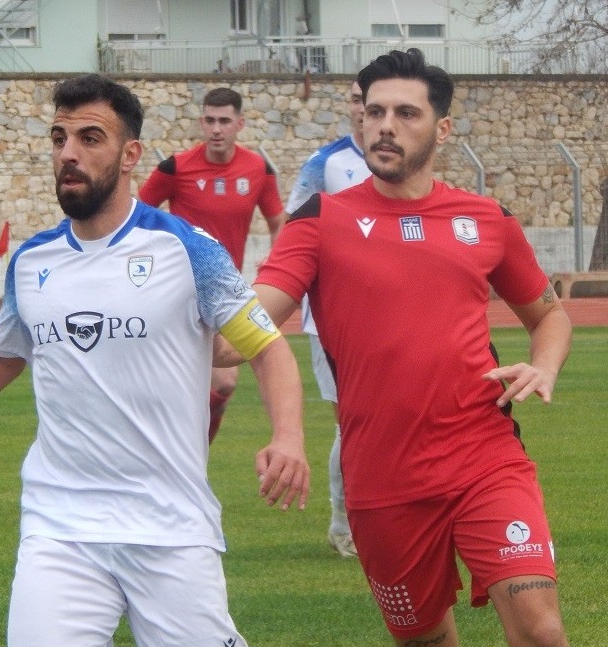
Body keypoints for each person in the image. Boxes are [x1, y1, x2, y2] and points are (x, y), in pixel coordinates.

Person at [0, 74, 310, 647]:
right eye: (59, 138)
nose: (69, 153)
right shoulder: (32, 261)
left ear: (130, 154)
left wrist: (289, 437)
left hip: (169, 527)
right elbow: (1, 355)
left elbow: (266, 346)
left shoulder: (187, 250)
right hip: (60, 528)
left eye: (90, 138)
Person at [234, 49, 573, 646]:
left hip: (484, 455)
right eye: (375, 112)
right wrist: (206, 327)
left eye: (406, 113)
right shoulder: (320, 218)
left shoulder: (486, 218)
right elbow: (252, 322)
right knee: (425, 640)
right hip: (381, 478)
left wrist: (543, 366)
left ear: (442, 129)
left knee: (540, 629)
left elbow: (549, 314)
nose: (385, 126)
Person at [138, 87, 285, 443]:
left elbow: (278, 221)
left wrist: (276, 258)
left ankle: (189, 453)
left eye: (224, 121)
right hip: (176, 289)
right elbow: (137, 215)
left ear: (240, 124)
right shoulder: (175, 167)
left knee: (223, 385)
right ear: (201, 123)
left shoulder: (258, 169)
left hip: (224, 291)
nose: (216, 129)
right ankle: (173, 451)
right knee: (183, 383)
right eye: (210, 120)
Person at [285, 80, 372, 558]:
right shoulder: (327, 164)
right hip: (330, 319)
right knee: (351, 421)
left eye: (370, 100)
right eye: (357, 100)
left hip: (389, 314)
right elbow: (294, 227)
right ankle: (344, 522)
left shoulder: (400, 164)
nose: (364, 109)